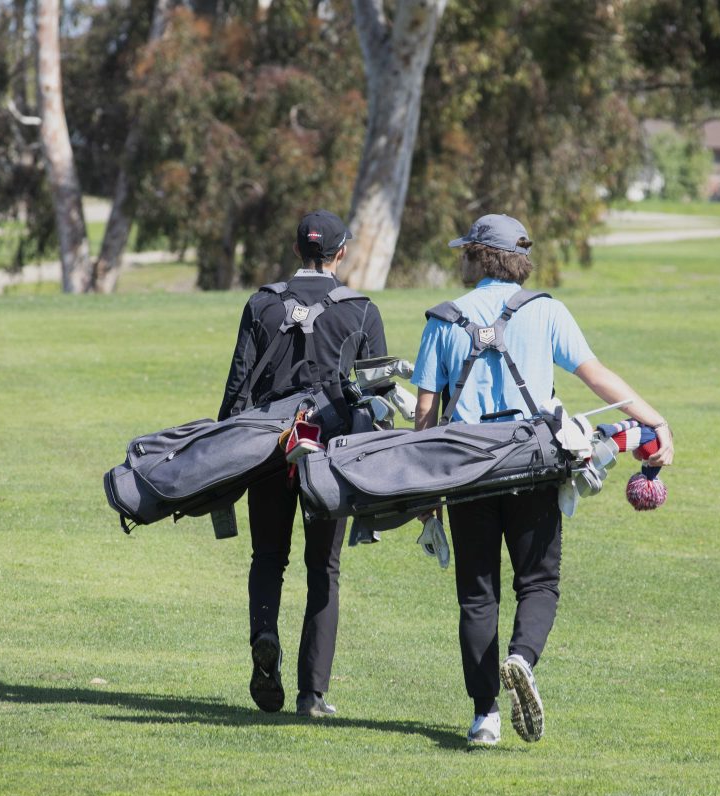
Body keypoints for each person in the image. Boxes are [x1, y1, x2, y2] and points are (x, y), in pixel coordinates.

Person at [411, 213, 674, 747]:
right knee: (537, 582)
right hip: (532, 461)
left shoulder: (444, 317)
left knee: (477, 594)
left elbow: (424, 410)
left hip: (464, 468)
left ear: (480, 256)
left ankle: (485, 716)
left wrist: (424, 486)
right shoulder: (546, 311)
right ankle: (521, 658)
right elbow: (596, 376)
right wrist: (653, 419)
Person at [218, 210, 389, 718]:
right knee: (324, 569)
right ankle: (312, 695)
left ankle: (264, 634)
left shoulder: (262, 304)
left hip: (267, 449)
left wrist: (225, 454)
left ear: (296, 251)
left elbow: (237, 390)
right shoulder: (360, 310)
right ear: (341, 254)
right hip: (330, 459)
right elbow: (378, 400)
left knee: (268, 558)